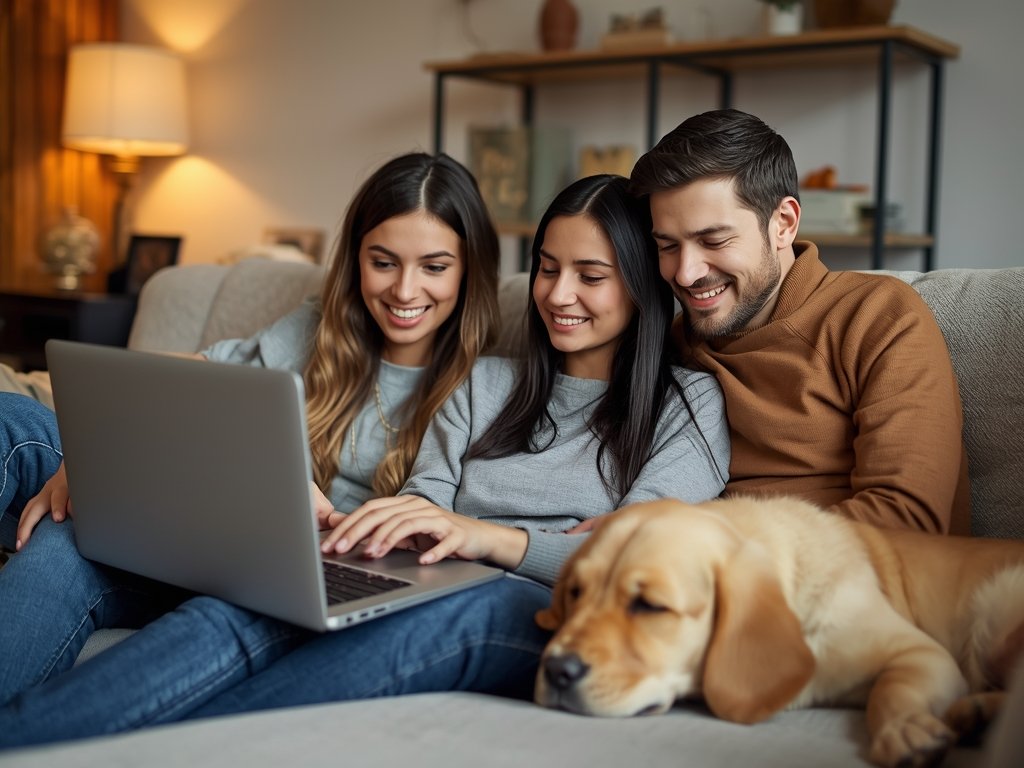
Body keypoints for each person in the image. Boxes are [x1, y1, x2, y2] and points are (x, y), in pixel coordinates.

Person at [0, 174, 729, 746]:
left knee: (432, 611)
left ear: (640, 284)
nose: (557, 295)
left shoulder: (689, 405)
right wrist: (367, 532)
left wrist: (493, 539)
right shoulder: (488, 385)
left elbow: (633, 556)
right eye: (546, 269)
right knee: (238, 610)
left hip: (541, 604)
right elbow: (421, 507)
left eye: (590, 276)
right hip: (430, 575)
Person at [0, 151, 501, 711]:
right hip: (206, 541)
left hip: (306, 582)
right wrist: (91, 459)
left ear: (469, 268)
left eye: (434, 267)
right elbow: (189, 375)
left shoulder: (490, 384)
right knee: (20, 440)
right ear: (356, 258)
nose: (405, 291)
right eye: (383, 262)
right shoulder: (318, 329)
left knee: (61, 538)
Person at [627, 108, 969, 535]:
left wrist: (709, 543)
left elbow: (908, 521)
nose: (685, 273)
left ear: (783, 224)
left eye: (713, 240)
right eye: (668, 246)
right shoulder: (677, 341)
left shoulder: (877, 317)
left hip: (851, 581)